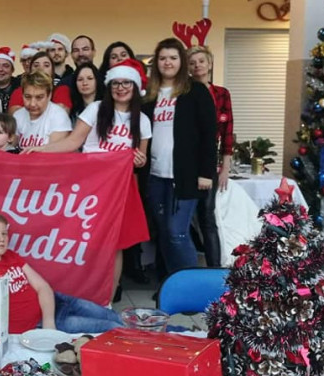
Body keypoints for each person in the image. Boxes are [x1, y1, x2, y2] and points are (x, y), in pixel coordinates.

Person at [22, 59, 152, 303]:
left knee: (115, 245)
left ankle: (107, 300)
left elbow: (141, 160)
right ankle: (81, 293)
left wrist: (139, 160)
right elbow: (73, 142)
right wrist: (42, 150)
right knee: (85, 240)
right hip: (92, 185)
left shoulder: (142, 120)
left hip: (121, 189)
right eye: (116, 83)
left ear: (135, 87)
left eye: (126, 83)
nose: (121, 88)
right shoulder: (95, 109)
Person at [0, 212, 124, 334]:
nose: (1, 239)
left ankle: (139, 329)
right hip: (39, 323)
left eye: (4, 233)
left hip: (53, 302)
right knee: (112, 327)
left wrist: (48, 320)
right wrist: (48, 325)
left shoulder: (10, 255)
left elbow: (42, 286)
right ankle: (137, 343)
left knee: (112, 316)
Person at [141, 38, 217, 273]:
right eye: (163, 58)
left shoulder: (196, 91)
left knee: (177, 233)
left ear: (181, 61)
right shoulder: (149, 95)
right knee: (164, 232)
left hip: (186, 176)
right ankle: (172, 282)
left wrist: (206, 173)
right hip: (155, 176)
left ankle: (191, 285)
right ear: (156, 62)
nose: (168, 62)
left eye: (173, 58)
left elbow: (209, 134)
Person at [188, 45, 233, 268]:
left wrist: (225, 167)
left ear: (210, 64)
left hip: (209, 161)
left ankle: (214, 268)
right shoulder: (183, 93)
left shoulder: (222, 94)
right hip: (185, 160)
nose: (197, 66)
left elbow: (227, 132)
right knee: (184, 217)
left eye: (201, 61)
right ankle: (184, 267)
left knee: (207, 215)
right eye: (192, 62)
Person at [13, 70, 72, 148]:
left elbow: (54, 151)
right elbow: (9, 147)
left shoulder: (59, 115)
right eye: (27, 97)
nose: (32, 104)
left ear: (49, 95)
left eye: (39, 97)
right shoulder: (18, 115)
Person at [7, 52, 72, 114]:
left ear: (52, 71)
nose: (41, 69)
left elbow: (61, 113)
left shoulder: (61, 90)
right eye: (36, 65)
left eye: (46, 65)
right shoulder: (19, 91)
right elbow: (15, 115)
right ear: (30, 70)